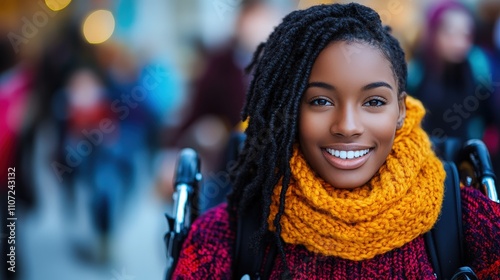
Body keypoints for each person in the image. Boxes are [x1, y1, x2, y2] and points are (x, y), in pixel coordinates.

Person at [171, 3, 500, 279]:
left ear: (400, 110)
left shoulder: (464, 219)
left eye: (373, 102)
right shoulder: (225, 236)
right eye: (321, 102)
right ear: (290, 109)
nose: (348, 126)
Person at [407, 1, 495, 146]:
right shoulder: (416, 73)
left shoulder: (476, 68)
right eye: (450, 33)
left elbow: (489, 118)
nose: (458, 43)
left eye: (465, 35)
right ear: (434, 33)